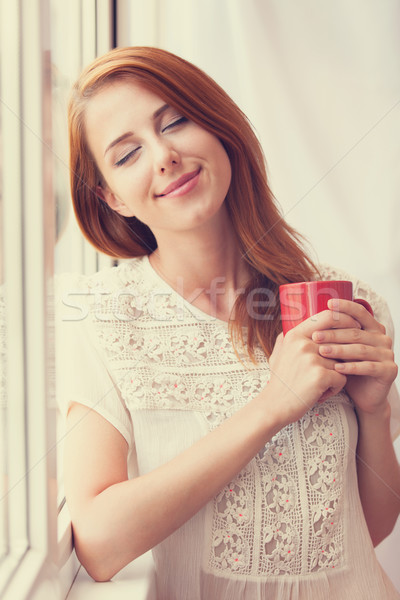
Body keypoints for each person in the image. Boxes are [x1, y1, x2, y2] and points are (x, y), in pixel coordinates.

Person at [56, 46, 400, 599]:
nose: (164, 155)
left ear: (219, 128)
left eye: (175, 122)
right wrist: (271, 407)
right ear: (110, 198)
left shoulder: (347, 303)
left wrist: (375, 410)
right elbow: (98, 544)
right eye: (127, 155)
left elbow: (371, 530)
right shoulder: (102, 316)